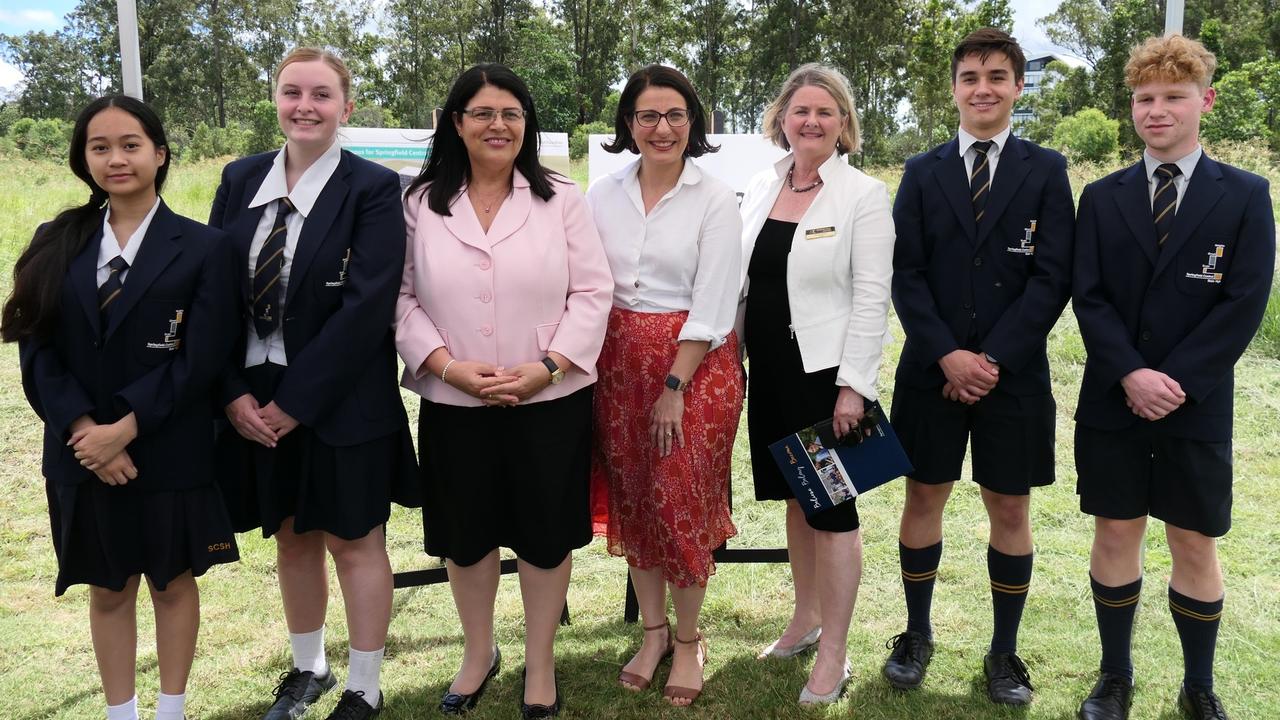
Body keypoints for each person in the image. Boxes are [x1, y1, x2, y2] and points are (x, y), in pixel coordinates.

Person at [1, 95, 240, 720]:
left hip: (169, 447)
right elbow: (37, 350)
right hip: (81, 454)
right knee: (109, 588)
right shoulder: (55, 240)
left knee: (172, 583)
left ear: (159, 153)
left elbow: (203, 358)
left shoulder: (205, 247)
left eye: (131, 144)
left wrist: (127, 426)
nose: (116, 158)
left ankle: (170, 709)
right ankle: (120, 711)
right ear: (84, 158)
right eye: (99, 147)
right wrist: (86, 430)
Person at [395, 63, 612, 720]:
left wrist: (548, 366)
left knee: (545, 536)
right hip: (456, 401)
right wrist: (445, 366)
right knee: (467, 535)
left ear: (527, 125)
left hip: (548, 399)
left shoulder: (562, 198)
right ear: (455, 124)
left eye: (512, 114)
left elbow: (593, 292)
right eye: (483, 113)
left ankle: (539, 662)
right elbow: (400, 296)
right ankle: (478, 651)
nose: (499, 125)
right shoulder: (419, 202)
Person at [210, 47, 417, 720]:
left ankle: (364, 684)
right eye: (292, 91)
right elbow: (212, 295)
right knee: (292, 536)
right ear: (275, 99)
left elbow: (367, 308)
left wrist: (294, 404)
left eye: (322, 95)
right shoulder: (238, 180)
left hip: (342, 397)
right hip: (254, 396)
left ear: (346, 108)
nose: (305, 105)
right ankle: (308, 669)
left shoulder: (373, 189)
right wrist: (235, 392)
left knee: (355, 542)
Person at [1072, 35, 1275, 720]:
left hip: (1197, 401)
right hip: (1112, 397)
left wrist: (1175, 381)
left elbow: (1243, 302)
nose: (1156, 111)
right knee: (1115, 531)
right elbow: (1088, 296)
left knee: (1193, 539)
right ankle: (1114, 675)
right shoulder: (1101, 197)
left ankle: (1199, 684)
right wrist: (1130, 372)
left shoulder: (1246, 195)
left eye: (1173, 98)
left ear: (1205, 101)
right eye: (1145, 99)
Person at [885, 27, 1074, 706]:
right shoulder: (921, 171)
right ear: (955, 89)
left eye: (997, 76)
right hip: (930, 370)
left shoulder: (1047, 170)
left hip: (1012, 375)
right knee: (924, 495)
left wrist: (991, 359)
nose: (983, 88)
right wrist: (947, 354)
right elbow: (904, 275)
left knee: (1009, 505)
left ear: (1018, 86)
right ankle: (915, 633)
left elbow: (1052, 279)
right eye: (970, 77)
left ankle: (1003, 651)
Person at [586, 64, 744, 707]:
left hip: (694, 367)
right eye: (648, 116)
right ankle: (651, 635)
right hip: (616, 362)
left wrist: (674, 382)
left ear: (694, 124)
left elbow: (713, 301)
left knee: (681, 498)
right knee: (636, 500)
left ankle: (687, 640)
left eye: (675, 115)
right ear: (629, 124)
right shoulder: (601, 193)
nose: (662, 128)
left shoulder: (715, 197)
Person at [738, 63, 895, 706]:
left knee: (834, 514)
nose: (811, 121)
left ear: (844, 124)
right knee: (795, 502)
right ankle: (804, 621)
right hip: (770, 375)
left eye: (825, 113)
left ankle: (836, 649)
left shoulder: (863, 194)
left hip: (826, 380)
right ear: (781, 118)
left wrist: (854, 388)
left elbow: (870, 298)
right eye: (801, 110)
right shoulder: (759, 184)